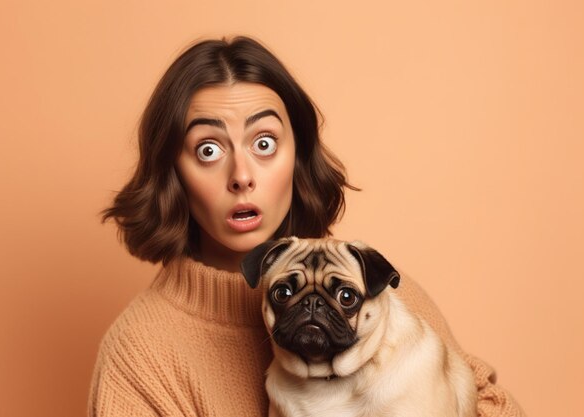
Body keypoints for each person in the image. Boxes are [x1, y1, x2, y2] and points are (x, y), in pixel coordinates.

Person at [88, 36, 524, 417]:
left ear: (297, 156)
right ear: (172, 171)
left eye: (264, 143)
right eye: (208, 150)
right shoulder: (139, 357)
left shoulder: (384, 295)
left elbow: (490, 403)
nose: (242, 175)